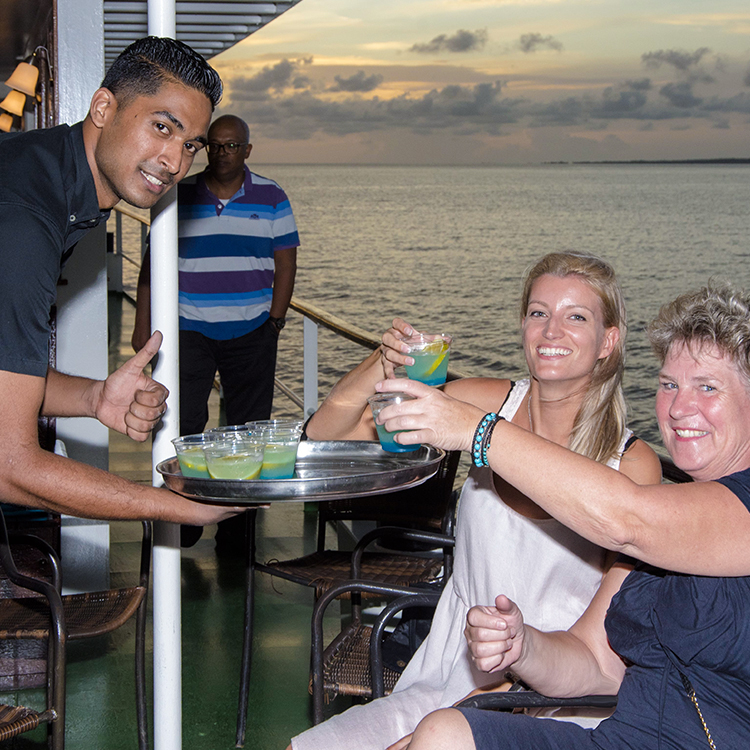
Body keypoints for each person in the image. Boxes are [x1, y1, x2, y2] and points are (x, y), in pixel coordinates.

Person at [289, 252, 661, 750]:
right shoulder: (487, 405)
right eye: (538, 312)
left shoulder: (631, 465)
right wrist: (384, 361)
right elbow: (327, 435)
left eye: (576, 316)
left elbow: (603, 649)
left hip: (553, 693)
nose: (551, 330)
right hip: (450, 669)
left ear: (608, 341)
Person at [379, 281, 750, 750]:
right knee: (441, 732)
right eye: (669, 385)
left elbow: (627, 519)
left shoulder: (660, 522)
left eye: (707, 387)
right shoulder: (666, 521)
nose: (679, 408)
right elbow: (595, 662)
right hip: (621, 739)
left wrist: (477, 431)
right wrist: (522, 645)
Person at [0, 36, 241, 527]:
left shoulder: (47, 174)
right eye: (162, 127)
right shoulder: (26, 219)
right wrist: (175, 507)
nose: (174, 162)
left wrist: (94, 398)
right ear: (103, 107)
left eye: (190, 145)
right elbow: (9, 465)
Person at [132, 114, 299, 550]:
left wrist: (275, 320)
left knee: (249, 432)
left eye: (232, 145)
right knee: (185, 425)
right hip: (189, 329)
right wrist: (141, 324)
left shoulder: (272, 196)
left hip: (252, 331)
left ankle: (236, 532)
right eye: (216, 145)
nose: (223, 153)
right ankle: (185, 520)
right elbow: (151, 265)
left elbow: (286, 263)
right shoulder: (179, 193)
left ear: (247, 150)